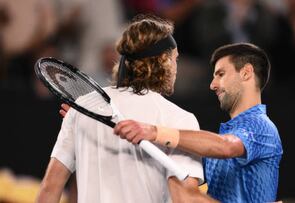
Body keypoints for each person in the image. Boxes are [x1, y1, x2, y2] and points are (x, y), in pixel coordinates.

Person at [37, 14, 205, 203]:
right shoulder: (180, 120)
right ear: (163, 61)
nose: (176, 67)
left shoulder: (81, 108)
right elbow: (186, 199)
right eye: (175, 59)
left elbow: (50, 188)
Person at [113, 42, 283, 202]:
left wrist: (154, 132)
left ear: (246, 72)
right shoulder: (225, 135)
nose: (212, 85)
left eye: (221, 74)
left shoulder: (262, 126)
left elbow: (226, 146)